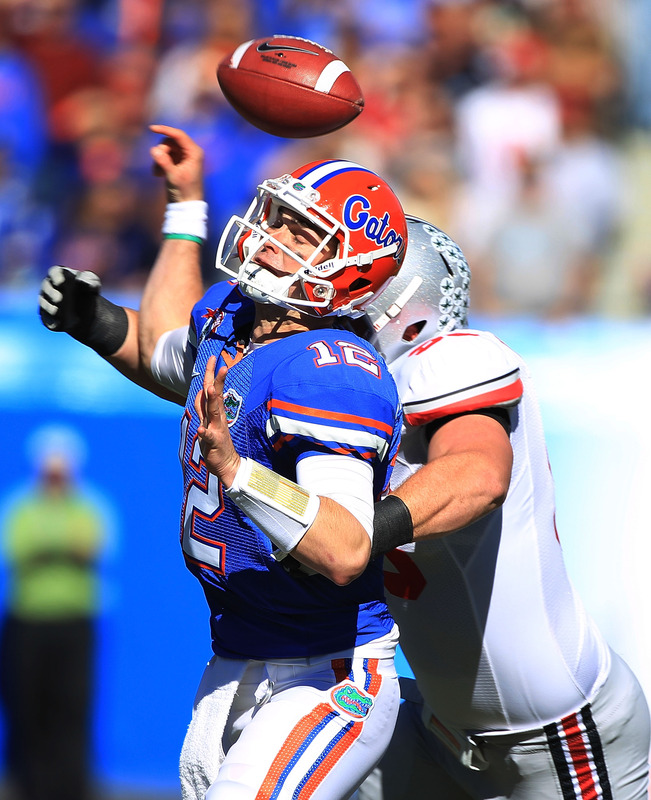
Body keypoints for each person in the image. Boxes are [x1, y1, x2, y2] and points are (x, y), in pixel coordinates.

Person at [38, 125, 407, 800]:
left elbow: (346, 548)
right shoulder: (239, 317)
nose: (270, 237)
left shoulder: (331, 370)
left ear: (351, 270)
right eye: (278, 219)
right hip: (237, 653)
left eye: (302, 235)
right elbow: (162, 350)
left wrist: (240, 473)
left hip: (326, 670)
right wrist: (177, 213)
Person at [352, 216, 651, 799]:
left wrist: (354, 531)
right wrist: (182, 217)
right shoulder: (332, 385)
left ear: (401, 300)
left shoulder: (449, 358)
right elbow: (165, 356)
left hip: (557, 737)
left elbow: (479, 476)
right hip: (439, 729)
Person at [0, 439, 106, 800]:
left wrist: (49, 545)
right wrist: (61, 545)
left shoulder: (86, 508)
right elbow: (18, 549)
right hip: (29, 621)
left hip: (74, 623)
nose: (56, 480)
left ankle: (70, 788)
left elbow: (89, 546)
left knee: (71, 706)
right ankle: (29, 786)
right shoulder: (24, 508)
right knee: (28, 705)